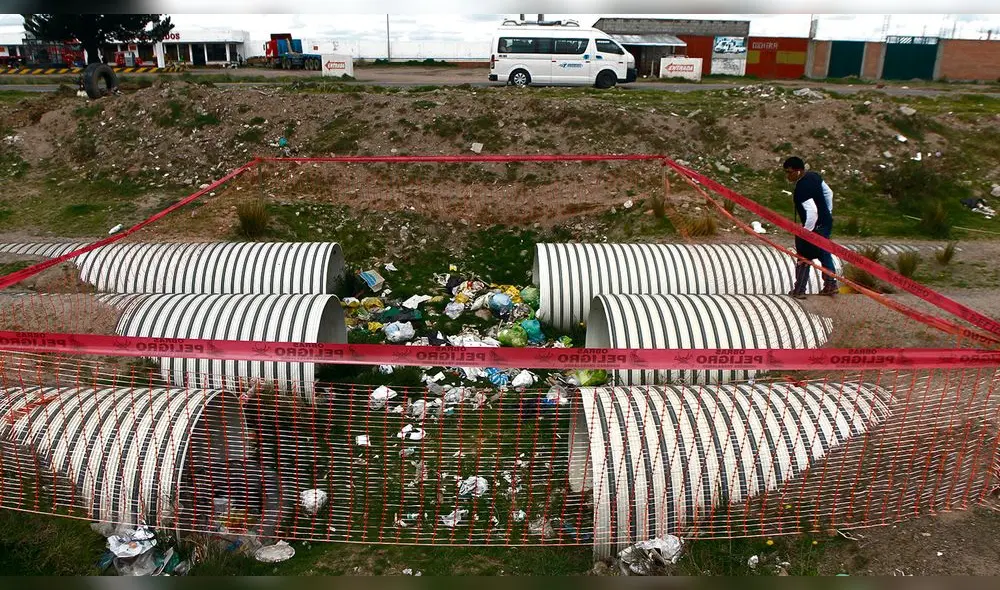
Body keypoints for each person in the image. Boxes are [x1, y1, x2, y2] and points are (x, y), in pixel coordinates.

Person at [783, 156, 838, 298]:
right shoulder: (814, 177)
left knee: (803, 254)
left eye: (789, 172)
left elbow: (812, 211)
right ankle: (830, 284)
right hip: (825, 223)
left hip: (814, 226)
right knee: (824, 253)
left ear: (798, 171)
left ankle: (800, 289)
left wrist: (806, 231)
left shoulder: (802, 188)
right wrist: (828, 212)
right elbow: (829, 193)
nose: (787, 175)